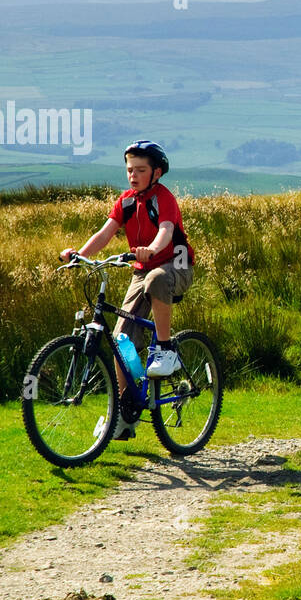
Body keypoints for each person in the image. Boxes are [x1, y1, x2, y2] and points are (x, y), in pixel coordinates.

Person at [59, 140, 195, 440]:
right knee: (121, 340)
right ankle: (124, 412)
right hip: (141, 269)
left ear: (156, 172)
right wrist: (79, 255)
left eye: (141, 170)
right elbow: (106, 232)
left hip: (177, 264)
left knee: (155, 279)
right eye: (129, 170)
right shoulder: (126, 201)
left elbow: (166, 231)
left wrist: (152, 249)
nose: (133, 175)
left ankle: (165, 349)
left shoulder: (164, 198)